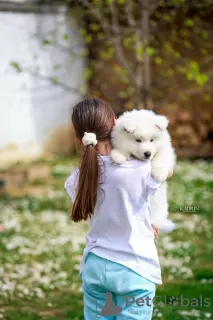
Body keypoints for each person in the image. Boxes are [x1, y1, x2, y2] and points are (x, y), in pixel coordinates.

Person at [64, 97, 173, 320]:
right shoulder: (143, 169)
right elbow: (167, 170)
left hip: (95, 267)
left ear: (78, 136)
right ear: (115, 123)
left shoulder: (77, 178)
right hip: (135, 268)